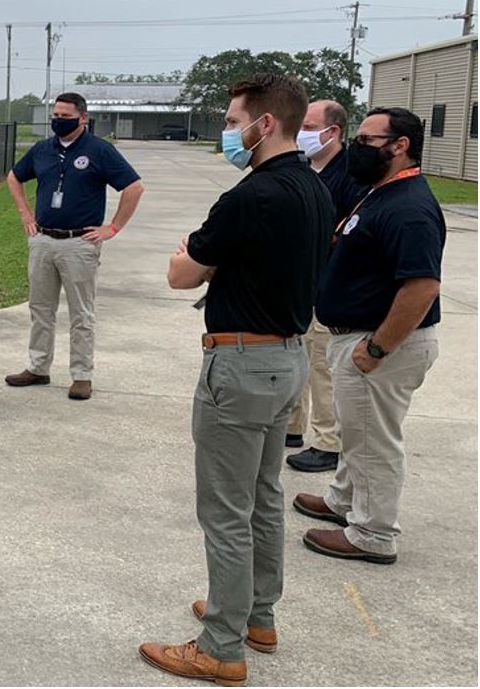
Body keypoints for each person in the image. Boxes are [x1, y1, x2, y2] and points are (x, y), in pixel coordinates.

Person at [140, 74, 333, 685]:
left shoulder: (249, 197)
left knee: (225, 509)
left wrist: (191, 257)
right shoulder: (314, 188)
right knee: (264, 495)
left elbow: (181, 274)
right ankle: (256, 614)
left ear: (264, 123)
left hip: (241, 365)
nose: (228, 131)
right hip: (288, 359)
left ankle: (221, 646)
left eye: (232, 120)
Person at [294, 107, 444, 566]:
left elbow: (421, 286)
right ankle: (344, 503)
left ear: (400, 146)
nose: (357, 148)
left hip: (379, 345)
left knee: (374, 442)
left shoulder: (410, 207)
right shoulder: (381, 193)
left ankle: (374, 533)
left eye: (367, 140)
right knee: (356, 431)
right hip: (355, 337)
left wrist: (377, 347)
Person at [3, 93, 145, 400]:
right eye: (55, 114)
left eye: (65, 116)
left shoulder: (99, 151)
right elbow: (14, 177)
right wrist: (25, 214)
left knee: (81, 313)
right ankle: (38, 367)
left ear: (82, 118)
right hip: (43, 239)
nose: (58, 120)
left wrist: (113, 227)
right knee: (40, 308)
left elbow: (134, 187)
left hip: (78, 243)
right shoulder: (43, 150)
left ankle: (82, 375)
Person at [285, 99, 369, 472]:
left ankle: (328, 442)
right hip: (302, 281)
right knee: (297, 355)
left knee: (321, 364)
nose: (301, 134)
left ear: (332, 131)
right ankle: (292, 424)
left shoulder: (351, 176)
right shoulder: (308, 168)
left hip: (329, 284)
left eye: (307, 126)